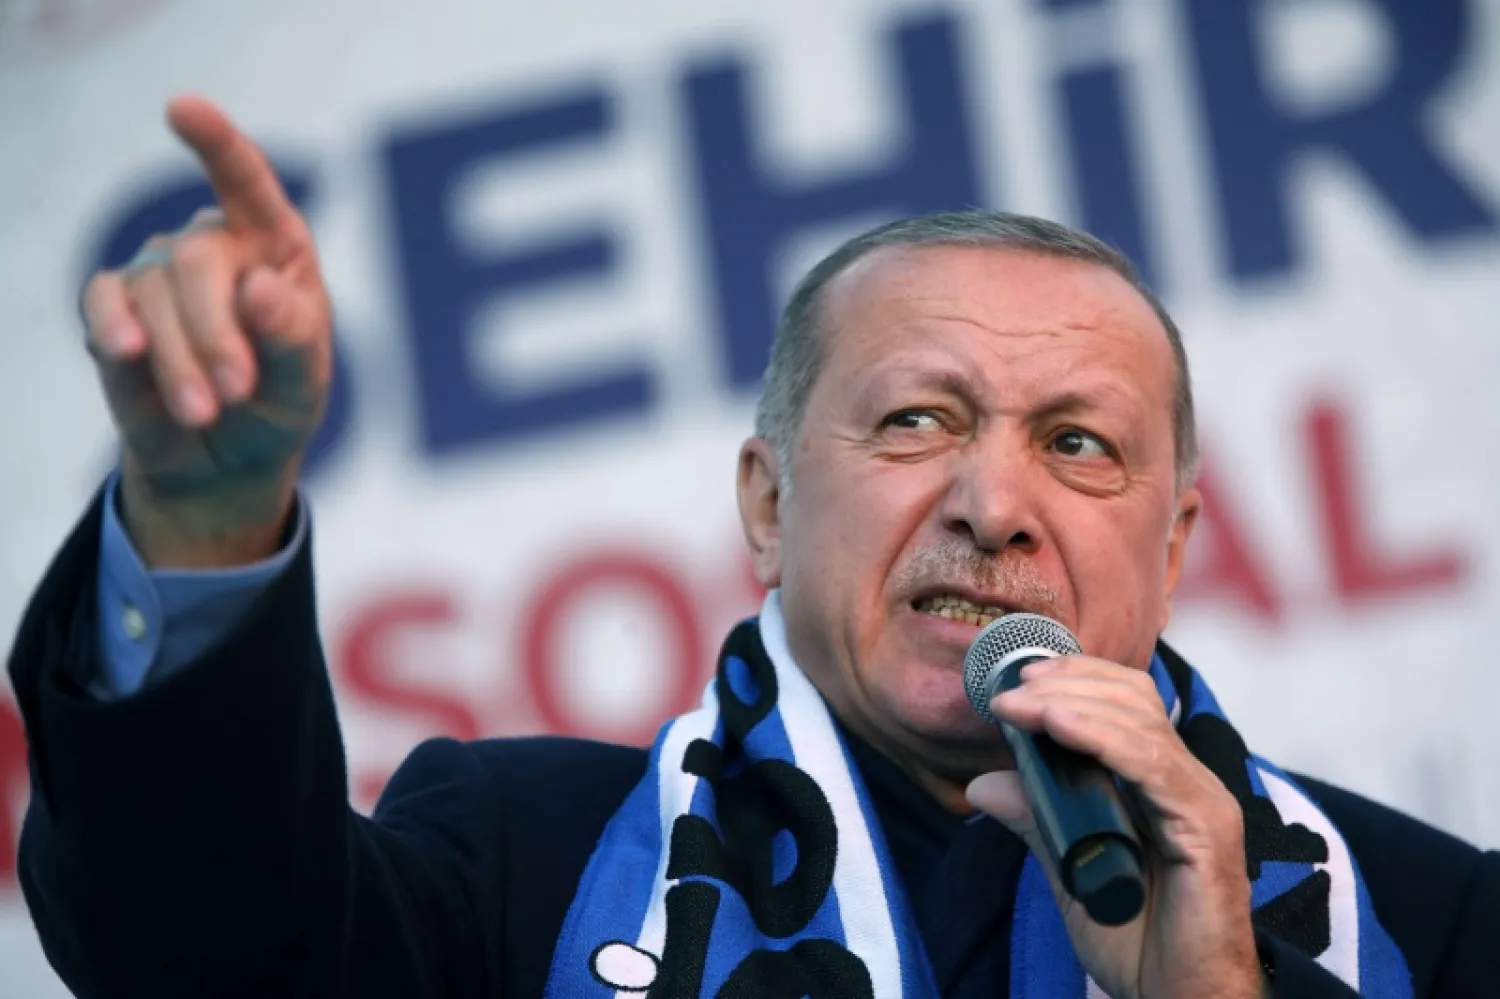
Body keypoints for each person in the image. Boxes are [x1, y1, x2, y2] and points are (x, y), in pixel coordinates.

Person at [6, 94, 1497, 999]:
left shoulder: (1436, 922)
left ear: (1174, 545)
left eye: (1078, 442)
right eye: (917, 419)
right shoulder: (524, 858)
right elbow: (196, 955)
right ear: (769, 505)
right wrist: (205, 509)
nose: (995, 502)